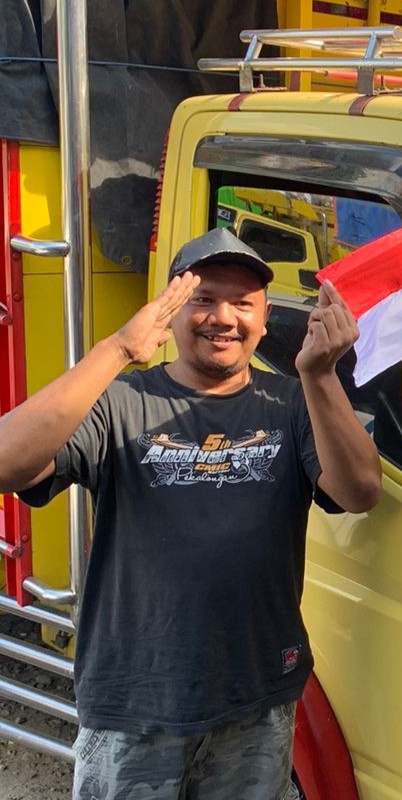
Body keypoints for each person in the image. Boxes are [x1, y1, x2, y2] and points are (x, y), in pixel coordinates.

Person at [0, 228, 382, 800]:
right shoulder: (123, 401)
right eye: (204, 299)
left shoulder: (294, 403)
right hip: (134, 703)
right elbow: (6, 463)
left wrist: (320, 374)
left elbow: (360, 492)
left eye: (243, 303)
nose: (223, 318)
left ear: (265, 314)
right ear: (171, 308)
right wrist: (120, 349)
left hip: (256, 697)